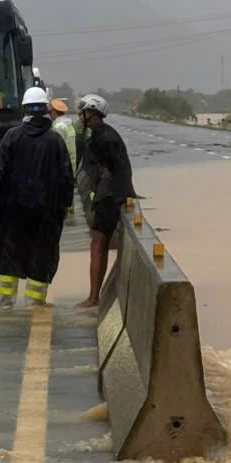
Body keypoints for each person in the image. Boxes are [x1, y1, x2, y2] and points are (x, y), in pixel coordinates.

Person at [0, 87, 74, 307]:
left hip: (13, 210)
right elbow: (66, 177)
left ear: (24, 109)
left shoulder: (12, 137)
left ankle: (4, 302)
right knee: (42, 253)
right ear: (45, 109)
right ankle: (34, 304)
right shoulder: (55, 141)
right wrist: (65, 207)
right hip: (46, 212)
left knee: (9, 253)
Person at [76, 94, 136, 310]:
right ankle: (94, 296)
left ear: (91, 113)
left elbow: (117, 170)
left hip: (110, 198)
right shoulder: (100, 135)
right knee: (97, 244)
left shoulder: (105, 138)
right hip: (108, 195)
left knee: (98, 245)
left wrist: (113, 194)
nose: (79, 116)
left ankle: (93, 298)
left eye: (82, 112)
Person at [50, 98, 78, 174]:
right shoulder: (69, 124)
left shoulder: (59, 127)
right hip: (71, 165)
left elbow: (56, 149)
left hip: (63, 167)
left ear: (54, 112)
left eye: (50, 111)